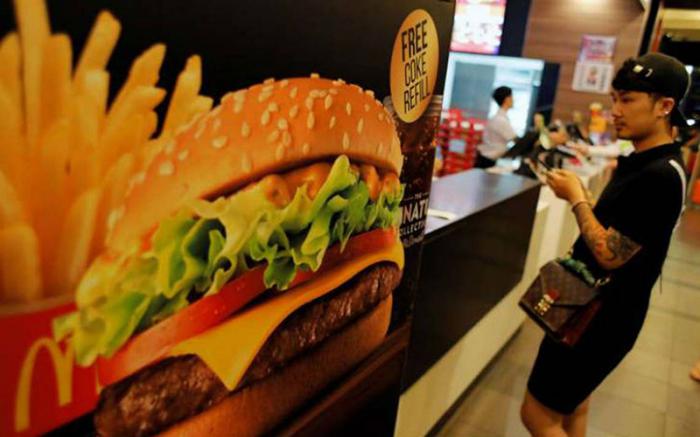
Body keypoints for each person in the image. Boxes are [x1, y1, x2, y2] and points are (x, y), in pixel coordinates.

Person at [521, 52, 689, 437]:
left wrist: (577, 197)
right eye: (615, 99)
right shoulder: (649, 162)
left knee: (537, 415)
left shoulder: (660, 174)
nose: (615, 111)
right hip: (600, 312)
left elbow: (611, 254)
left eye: (627, 100)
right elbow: (628, 225)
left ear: (664, 106)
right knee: (573, 407)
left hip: (598, 318)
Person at [477, 86, 517, 168]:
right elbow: (515, 139)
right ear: (507, 99)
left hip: (488, 159)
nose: (513, 100)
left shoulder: (499, 118)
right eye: (512, 97)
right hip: (487, 161)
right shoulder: (500, 120)